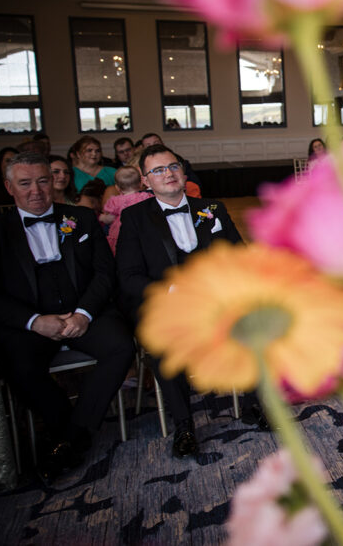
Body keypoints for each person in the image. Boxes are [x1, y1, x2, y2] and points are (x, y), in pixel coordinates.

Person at [0, 152, 134, 482]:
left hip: (85, 311)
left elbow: (104, 272)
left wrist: (84, 314)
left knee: (121, 347)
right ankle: (69, 428)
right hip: (30, 322)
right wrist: (34, 321)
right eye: (25, 183)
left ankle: (72, 435)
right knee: (19, 366)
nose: (36, 191)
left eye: (43, 181)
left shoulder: (82, 219)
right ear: (9, 187)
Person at [116, 144, 248, 458]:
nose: (168, 174)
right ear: (145, 181)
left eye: (173, 166)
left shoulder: (211, 208)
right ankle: (184, 424)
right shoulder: (134, 218)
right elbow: (129, 276)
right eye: (158, 170)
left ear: (183, 171)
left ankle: (257, 405)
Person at [101, 166, 153, 255]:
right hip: (142, 230)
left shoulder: (115, 201)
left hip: (120, 233)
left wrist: (102, 218)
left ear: (117, 188)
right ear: (141, 183)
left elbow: (109, 218)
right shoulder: (146, 196)